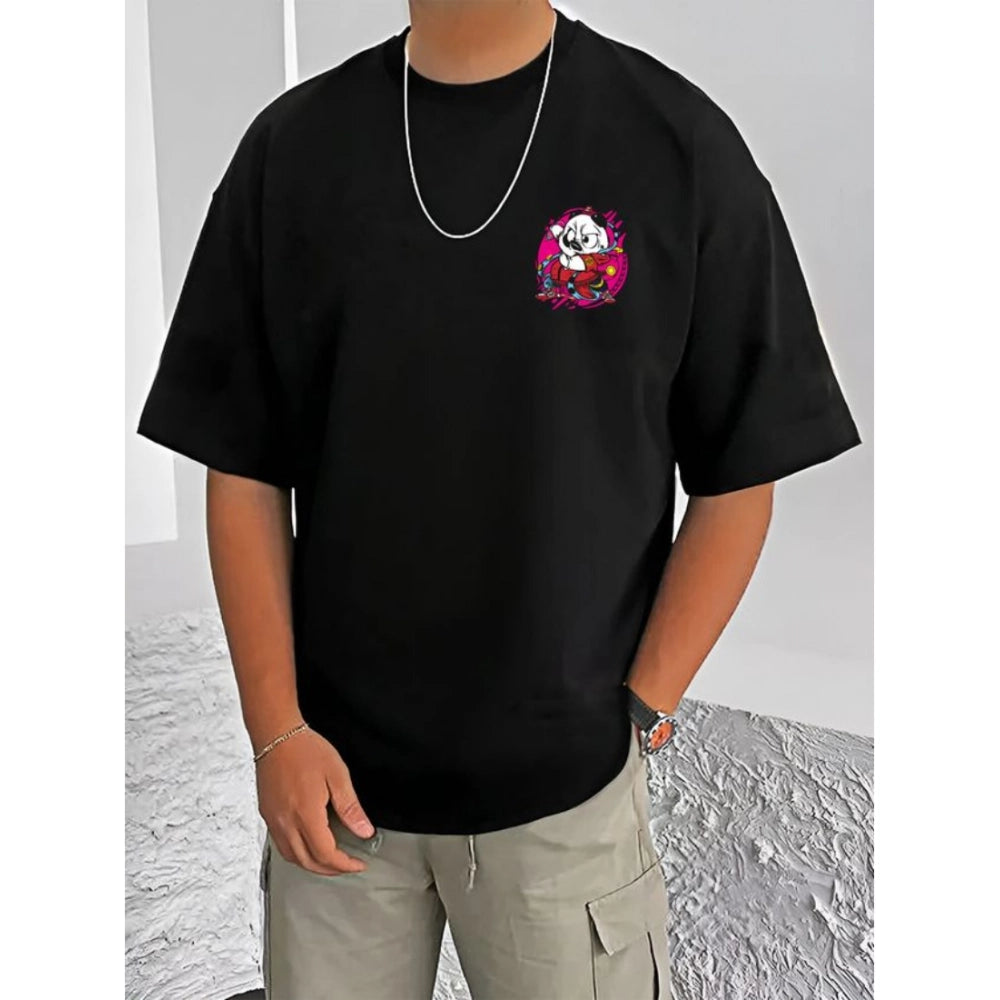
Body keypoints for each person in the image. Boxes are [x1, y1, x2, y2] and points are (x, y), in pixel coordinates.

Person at [136, 2, 862, 997]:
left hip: (565, 804)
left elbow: (744, 463)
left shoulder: (672, 145)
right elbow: (241, 463)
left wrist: (646, 698)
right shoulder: (293, 153)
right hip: (332, 793)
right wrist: (276, 731)